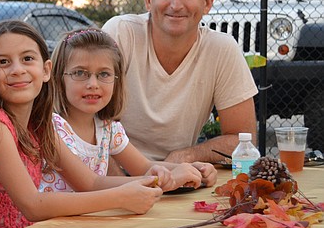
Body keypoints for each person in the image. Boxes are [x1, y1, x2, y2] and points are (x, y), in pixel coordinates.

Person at [0, 20, 164, 228]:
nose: (17, 69)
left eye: (27, 59)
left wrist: (148, 181)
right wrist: (121, 197)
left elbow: (91, 182)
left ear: (46, 70)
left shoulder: (39, 124)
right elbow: (33, 205)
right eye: (3, 62)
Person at [103, 0, 258, 163]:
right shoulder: (121, 33)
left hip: (179, 175)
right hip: (112, 174)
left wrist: (188, 156)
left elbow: (243, 141)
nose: (176, 5)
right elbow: (88, 125)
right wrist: (129, 183)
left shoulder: (221, 49)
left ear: (207, 3)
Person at [49, 28, 217, 189]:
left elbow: (144, 166)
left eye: (104, 74)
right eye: (79, 73)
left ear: (117, 81)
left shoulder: (107, 128)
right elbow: (91, 185)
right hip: (53, 219)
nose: (93, 84)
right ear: (58, 78)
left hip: (90, 218)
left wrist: (192, 169)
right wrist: (161, 180)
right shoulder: (51, 128)